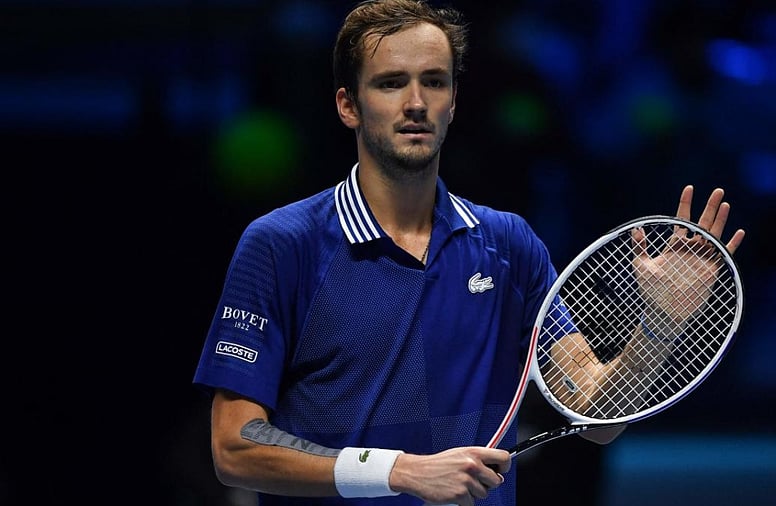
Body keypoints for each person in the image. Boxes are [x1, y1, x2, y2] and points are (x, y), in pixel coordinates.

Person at [191, 1, 746, 505]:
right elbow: (235, 448)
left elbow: (594, 415)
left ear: (453, 102)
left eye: (434, 82)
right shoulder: (282, 244)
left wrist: (658, 328)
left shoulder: (509, 245)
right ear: (348, 105)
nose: (415, 103)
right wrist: (398, 471)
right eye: (390, 84)